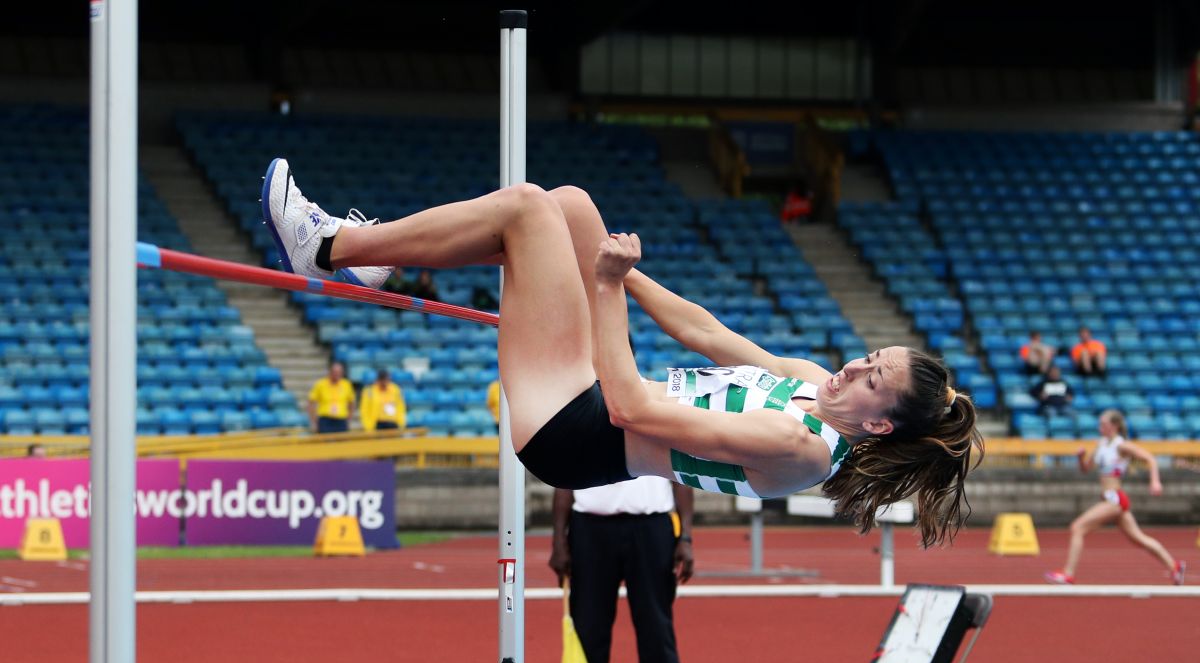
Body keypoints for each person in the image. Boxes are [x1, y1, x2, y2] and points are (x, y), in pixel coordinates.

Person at [262, 158, 982, 547]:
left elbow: (634, 407)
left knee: (526, 211)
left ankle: (330, 247)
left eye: (873, 377)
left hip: (576, 431)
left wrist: (606, 288)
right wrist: (624, 269)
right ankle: (363, 260)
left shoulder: (798, 444)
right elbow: (704, 334)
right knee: (571, 205)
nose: (856, 365)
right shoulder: (808, 384)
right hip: (592, 398)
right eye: (872, 355)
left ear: (881, 424)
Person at [549, 477, 694, 663]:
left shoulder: (665, 433)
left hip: (652, 527)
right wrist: (559, 540)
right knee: (588, 634)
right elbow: (564, 477)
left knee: (657, 632)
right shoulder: (581, 433)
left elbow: (679, 476)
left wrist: (686, 537)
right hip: (590, 529)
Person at [1045, 409, 1185, 586]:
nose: (1099, 427)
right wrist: (1081, 458)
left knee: (1077, 527)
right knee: (1138, 538)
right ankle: (1174, 566)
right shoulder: (1101, 444)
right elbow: (1086, 469)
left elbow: (1150, 459)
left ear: (1114, 426)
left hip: (1115, 499)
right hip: (1109, 499)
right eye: (1099, 423)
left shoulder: (1122, 445)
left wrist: (1155, 481)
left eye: (1103, 424)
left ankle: (1068, 574)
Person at [307, 361, 355, 434]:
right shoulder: (320, 384)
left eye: (339, 372)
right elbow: (311, 403)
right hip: (325, 420)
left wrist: (348, 419)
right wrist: (314, 421)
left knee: (342, 444)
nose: (337, 374)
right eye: (335, 372)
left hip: (341, 420)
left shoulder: (346, 385)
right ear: (330, 372)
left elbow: (351, 403)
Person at [360, 367, 406, 432]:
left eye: (388, 380)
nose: (386, 383)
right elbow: (364, 410)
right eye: (384, 380)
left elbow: (400, 406)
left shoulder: (395, 389)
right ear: (379, 380)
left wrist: (401, 422)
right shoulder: (369, 391)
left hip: (393, 423)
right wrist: (368, 426)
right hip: (377, 424)